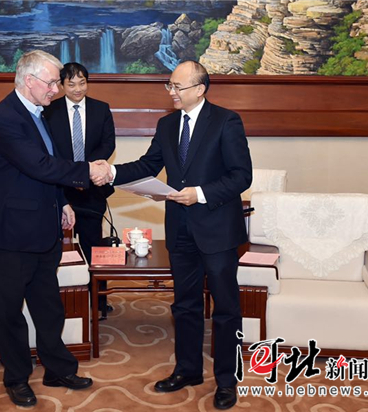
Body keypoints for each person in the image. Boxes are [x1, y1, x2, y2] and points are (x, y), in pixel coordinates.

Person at [107, 61, 252, 410]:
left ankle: (227, 380)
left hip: (217, 230)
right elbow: (147, 165)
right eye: (169, 85)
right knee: (185, 305)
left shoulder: (226, 121)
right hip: (180, 229)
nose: (171, 91)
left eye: (177, 86)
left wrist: (199, 193)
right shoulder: (167, 124)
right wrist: (110, 172)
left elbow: (241, 175)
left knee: (225, 309)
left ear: (199, 89)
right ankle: (188, 370)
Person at [0, 50, 111, 408]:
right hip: (11, 233)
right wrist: (88, 172)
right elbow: (39, 165)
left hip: (43, 227)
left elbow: (45, 170)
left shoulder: (39, 113)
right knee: (9, 312)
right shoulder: (6, 118)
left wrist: (62, 202)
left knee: (48, 306)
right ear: (29, 80)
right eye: (52, 82)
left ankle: (57, 368)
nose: (57, 89)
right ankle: (16, 378)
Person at [44, 62, 116, 317]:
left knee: (93, 245)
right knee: (55, 245)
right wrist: (70, 171)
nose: (77, 89)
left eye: (82, 83)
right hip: (58, 188)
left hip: (91, 187)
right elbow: (47, 149)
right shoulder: (49, 111)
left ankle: (98, 301)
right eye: (71, 84)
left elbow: (108, 144)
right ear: (62, 85)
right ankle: (59, 299)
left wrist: (87, 169)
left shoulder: (101, 109)